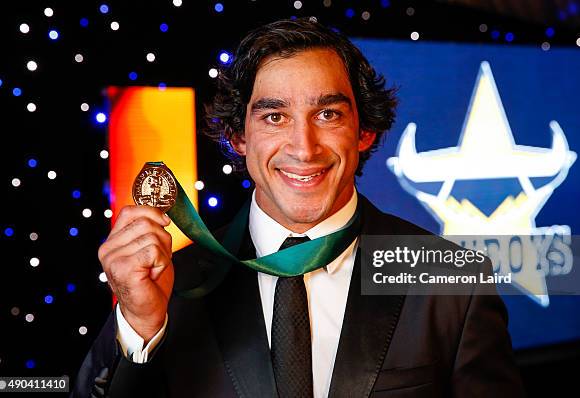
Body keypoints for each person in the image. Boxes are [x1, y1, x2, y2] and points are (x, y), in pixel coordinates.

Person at [72, 18, 525, 397]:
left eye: (328, 114)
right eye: (274, 117)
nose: (303, 148)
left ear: (364, 131)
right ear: (239, 137)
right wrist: (139, 326)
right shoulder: (173, 283)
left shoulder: (451, 278)